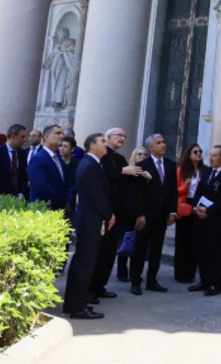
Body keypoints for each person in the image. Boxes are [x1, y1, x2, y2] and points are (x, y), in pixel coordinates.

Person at [63, 133, 115, 320]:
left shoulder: (91, 163)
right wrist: (109, 215)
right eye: (102, 142)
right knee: (83, 266)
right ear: (92, 145)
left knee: (84, 265)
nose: (106, 145)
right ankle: (77, 307)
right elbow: (97, 196)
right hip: (90, 222)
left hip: (90, 221)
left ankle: (78, 303)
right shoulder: (90, 165)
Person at [91, 128, 145, 296]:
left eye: (124, 136)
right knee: (99, 252)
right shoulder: (101, 157)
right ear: (107, 138)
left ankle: (100, 286)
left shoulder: (120, 158)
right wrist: (123, 171)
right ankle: (90, 289)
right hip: (105, 212)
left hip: (119, 213)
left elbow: (128, 182)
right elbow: (100, 176)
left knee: (110, 253)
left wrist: (141, 174)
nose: (123, 138)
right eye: (119, 135)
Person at [130, 134, 177, 296]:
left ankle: (152, 280)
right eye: (158, 143)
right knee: (140, 248)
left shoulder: (171, 165)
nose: (163, 145)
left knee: (157, 248)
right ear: (151, 148)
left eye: (163, 142)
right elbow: (136, 193)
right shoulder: (142, 165)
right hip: (146, 214)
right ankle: (135, 281)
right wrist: (139, 214)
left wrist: (172, 211)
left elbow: (172, 191)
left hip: (163, 214)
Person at [189, 144, 221, 296]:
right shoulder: (207, 171)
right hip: (201, 218)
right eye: (211, 155)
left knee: (216, 253)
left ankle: (215, 284)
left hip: (218, 220)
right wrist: (195, 207)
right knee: (202, 251)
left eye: (215, 155)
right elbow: (198, 191)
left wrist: (208, 211)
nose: (211, 158)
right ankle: (203, 280)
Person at [115, 145, 152, 283]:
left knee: (137, 245)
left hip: (142, 212)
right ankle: (122, 272)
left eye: (145, 155)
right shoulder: (128, 173)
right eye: (140, 154)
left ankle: (134, 273)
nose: (142, 157)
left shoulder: (148, 173)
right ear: (134, 157)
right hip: (128, 214)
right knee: (126, 242)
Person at [173, 143, 205, 284]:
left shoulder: (205, 171)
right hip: (185, 204)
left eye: (200, 151)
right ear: (189, 155)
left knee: (195, 240)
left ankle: (191, 273)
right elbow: (174, 191)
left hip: (199, 204)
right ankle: (180, 272)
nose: (198, 154)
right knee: (182, 240)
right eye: (195, 152)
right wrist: (183, 187)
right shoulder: (181, 170)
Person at [27, 125, 70, 212]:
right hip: (42, 210)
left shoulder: (58, 158)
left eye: (62, 134)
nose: (62, 136)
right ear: (46, 137)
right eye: (58, 133)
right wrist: (63, 203)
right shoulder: (38, 159)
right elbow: (41, 187)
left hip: (58, 211)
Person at [0, 124, 28, 198]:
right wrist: (3, 196)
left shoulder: (22, 154)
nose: (25, 140)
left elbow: (23, 176)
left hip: (18, 198)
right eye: (22, 137)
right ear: (13, 137)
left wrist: (21, 193)